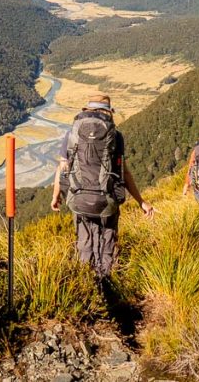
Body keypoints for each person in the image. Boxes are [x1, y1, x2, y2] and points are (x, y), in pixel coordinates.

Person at [51, 94, 154, 279]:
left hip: (78, 198)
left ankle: (86, 284)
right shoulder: (116, 136)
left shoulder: (72, 133)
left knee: (84, 241)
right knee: (107, 241)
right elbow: (124, 173)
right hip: (107, 200)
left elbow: (62, 166)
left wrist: (55, 196)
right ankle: (106, 283)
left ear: (88, 110)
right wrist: (141, 202)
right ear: (108, 111)